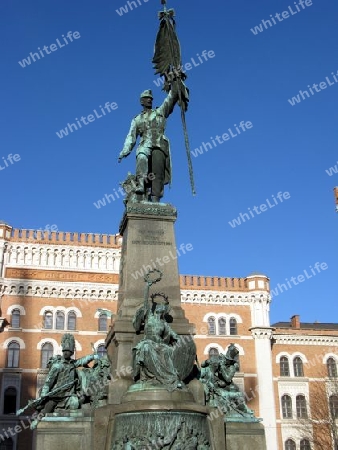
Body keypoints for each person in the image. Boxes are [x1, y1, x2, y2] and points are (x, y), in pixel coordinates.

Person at [118, 84, 181, 202]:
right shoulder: (137, 119)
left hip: (159, 145)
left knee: (157, 171)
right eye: (147, 98)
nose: (149, 100)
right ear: (141, 101)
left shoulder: (160, 112)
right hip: (145, 144)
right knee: (141, 156)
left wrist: (175, 84)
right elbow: (131, 137)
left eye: (151, 98)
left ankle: (155, 198)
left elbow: (170, 99)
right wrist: (125, 151)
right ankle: (141, 184)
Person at [30, 333, 99, 428]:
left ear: (71, 353)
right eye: (65, 351)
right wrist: (43, 395)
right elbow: (48, 382)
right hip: (57, 395)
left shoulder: (72, 364)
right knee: (47, 408)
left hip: (69, 395)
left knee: (76, 404)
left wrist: (92, 357)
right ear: (63, 351)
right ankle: (37, 420)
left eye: (69, 352)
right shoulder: (57, 366)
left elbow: (82, 361)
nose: (66, 353)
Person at [132, 301, 183, 391]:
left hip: (160, 344)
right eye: (158, 306)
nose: (160, 307)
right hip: (148, 341)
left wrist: (182, 342)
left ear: (164, 312)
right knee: (146, 347)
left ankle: (169, 378)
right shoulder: (149, 317)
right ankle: (151, 375)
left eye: (162, 307)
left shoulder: (164, 323)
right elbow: (144, 308)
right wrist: (147, 287)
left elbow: (173, 335)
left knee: (167, 350)